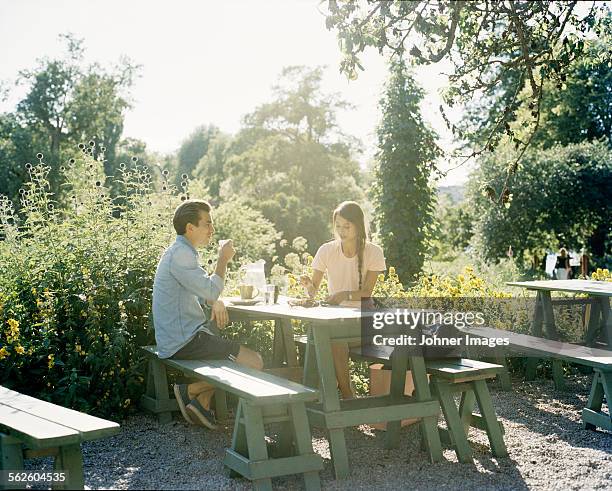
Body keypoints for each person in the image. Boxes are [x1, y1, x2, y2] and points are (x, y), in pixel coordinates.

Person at [152, 199, 263, 429]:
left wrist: (216, 300)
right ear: (190, 228)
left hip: (179, 338)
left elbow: (202, 290)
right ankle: (191, 390)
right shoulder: (182, 255)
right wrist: (223, 259)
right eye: (207, 224)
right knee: (255, 362)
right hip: (184, 342)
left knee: (231, 355)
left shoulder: (179, 251)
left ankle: (201, 403)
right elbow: (211, 288)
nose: (212, 230)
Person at [300, 201, 386, 398]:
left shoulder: (373, 251)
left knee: (331, 338)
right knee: (326, 335)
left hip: (364, 322)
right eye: (338, 226)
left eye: (347, 226)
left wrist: (343, 295)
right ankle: (331, 396)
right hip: (336, 322)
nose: (341, 231)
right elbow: (313, 292)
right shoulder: (326, 250)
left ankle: (345, 396)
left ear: (358, 225)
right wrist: (308, 286)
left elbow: (367, 292)